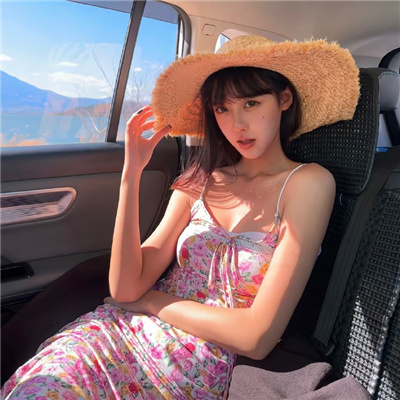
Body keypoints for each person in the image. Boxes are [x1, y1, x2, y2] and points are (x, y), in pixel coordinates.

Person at [2, 35, 359, 399]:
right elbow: (125, 289)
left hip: (190, 365)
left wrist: (153, 302)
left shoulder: (308, 183)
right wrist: (131, 173)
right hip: (116, 333)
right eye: (222, 109)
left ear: (284, 99)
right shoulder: (201, 181)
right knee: (41, 388)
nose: (237, 124)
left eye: (252, 103)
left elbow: (256, 337)